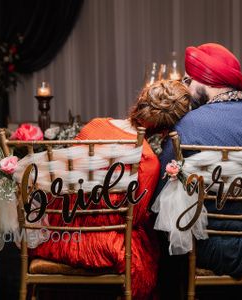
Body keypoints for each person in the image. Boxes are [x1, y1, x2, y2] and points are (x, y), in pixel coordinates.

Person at [29, 80, 192, 299]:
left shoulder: (95, 126)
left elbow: (68, 185)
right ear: (166, 128)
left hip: (64, 231)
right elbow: (136, 217)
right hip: (108, 241)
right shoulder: (147, 160)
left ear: (141, 101)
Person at [154, 43, 242, 285]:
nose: (186, 88)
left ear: (206, 81)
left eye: (189, 80)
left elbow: (160, 198)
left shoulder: (188, 126)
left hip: (214, 249)